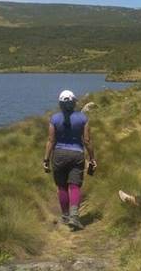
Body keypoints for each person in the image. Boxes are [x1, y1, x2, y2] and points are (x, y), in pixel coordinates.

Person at [43, 90, 97, 230]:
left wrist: (46, 159)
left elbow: (51, 140)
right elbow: (87, 140)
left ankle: (66, 216)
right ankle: (74, 216)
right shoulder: (83, 118)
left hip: (59, 155)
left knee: (61, 187)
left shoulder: (54, 119)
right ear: (74, 102)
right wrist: (92, 158)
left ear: (60, 104)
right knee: (74, 186)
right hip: (77, 155)